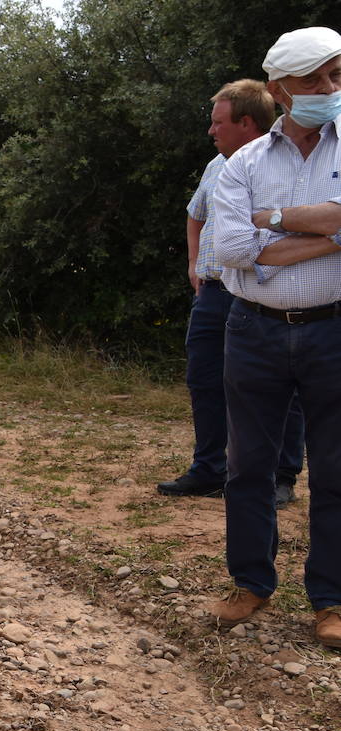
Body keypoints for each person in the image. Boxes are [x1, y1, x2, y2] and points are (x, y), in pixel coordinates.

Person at [210, 26, 341, 647]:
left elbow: (253, 243)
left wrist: (276, 222)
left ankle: (331, 599)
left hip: (334, 328)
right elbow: (231, 248)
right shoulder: (243, 162)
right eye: (314, 79)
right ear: (279, 90)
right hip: (254, 330)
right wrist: (333, 232)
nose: (328, 89)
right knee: (249, 465)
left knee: (336, 470)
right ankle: (251, 583)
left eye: (336, 76)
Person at [158, 81, 306, 507]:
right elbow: (195, 215)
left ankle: (281, 476)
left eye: (218, 122)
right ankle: (209, 469)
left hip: (267, 296)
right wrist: (193, 264)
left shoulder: (285, 167)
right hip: (213, 296)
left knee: (280, 389)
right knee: (205, 382)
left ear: (246, 123)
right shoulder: (215, 167)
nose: (211, 131)